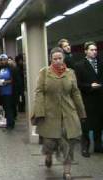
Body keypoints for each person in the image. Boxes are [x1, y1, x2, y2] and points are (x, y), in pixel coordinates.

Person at [33, 47, 86, 180]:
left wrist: (82, 112)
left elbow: (76, 93)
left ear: (63, 59)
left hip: (68, 114)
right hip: (50, 114)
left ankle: (67, 172)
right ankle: (49, 155)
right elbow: (39, 92)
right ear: (51, 59)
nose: (57, 61)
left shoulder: (70, 73)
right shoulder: (44, 73)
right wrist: (39, 111)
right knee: (49, 143)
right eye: (55, 59)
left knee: (69, 143)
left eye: (60, 58)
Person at [73, 41, 103, 157]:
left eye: (95, 50)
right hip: (87, 98)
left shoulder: (101, 63)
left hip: (100, 98)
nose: (94, 52)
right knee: (85, 124)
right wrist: (90, 86)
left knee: (99, 123)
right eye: (91, 50)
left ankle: (98, 145)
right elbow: (78, 84)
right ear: (85, 51)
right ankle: (85, 147)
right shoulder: (79, 66)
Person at [0, 54, 19, 130]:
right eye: (1, 60)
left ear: (7, 60)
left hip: (10, 92)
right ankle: (10, 122)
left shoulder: (11, 69)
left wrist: (6, 82)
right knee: (5, 108)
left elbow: (15, 80)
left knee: (8, 108)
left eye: (4, 59)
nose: (2, 61)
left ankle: (10, 124)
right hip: (1, 92)